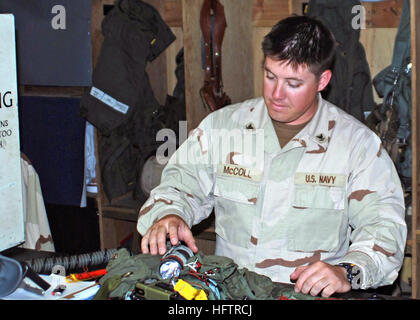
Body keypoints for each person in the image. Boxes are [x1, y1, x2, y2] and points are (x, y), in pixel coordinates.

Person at [137, 15, 407, 298]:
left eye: (293, 83)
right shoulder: (223, 127)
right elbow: (180, 184)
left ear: (322, 80)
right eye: (270, 76)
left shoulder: (356, 145)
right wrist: (169, 213)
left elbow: (383, 227)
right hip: (230, 296)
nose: (276, 94)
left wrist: (347, 270)